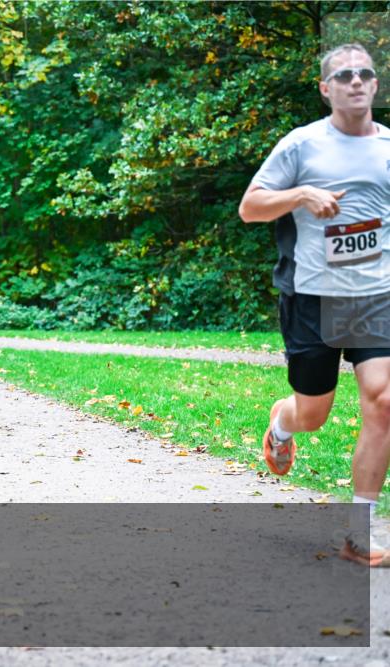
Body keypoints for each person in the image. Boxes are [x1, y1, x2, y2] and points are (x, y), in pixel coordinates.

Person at [238, 43, 390, 566]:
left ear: (375, 84)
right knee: (313, 413)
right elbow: (250, 208)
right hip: (313, 296)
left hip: (374, 294)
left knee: (385, 400)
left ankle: (359, 532)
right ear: (326, 88)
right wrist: (301, 195)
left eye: (365, 73)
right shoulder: (301, 146)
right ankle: (282, 424)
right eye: (343, 75)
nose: (356, 81)